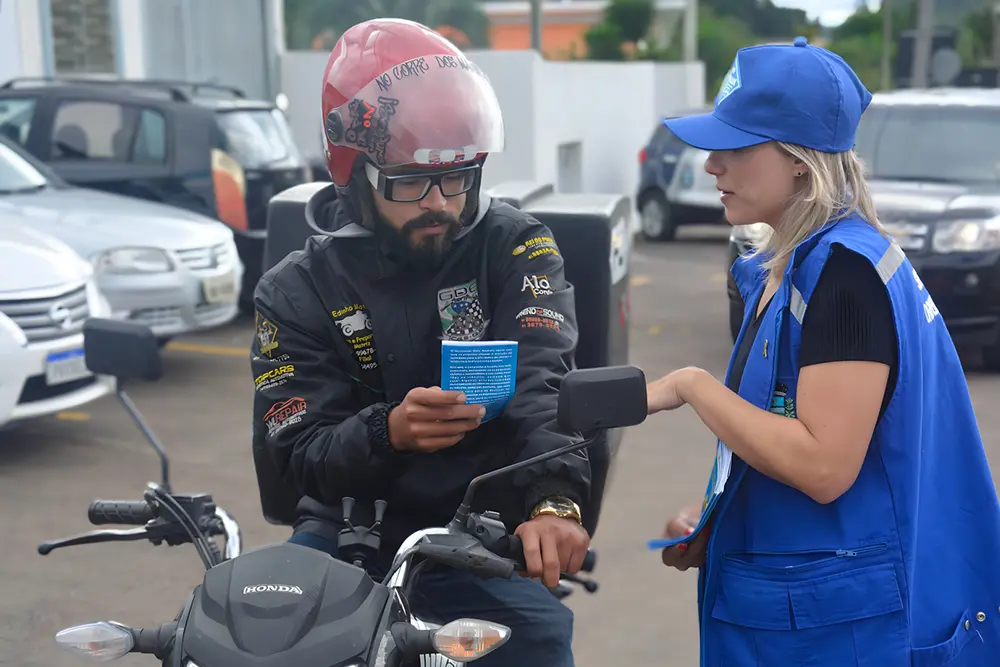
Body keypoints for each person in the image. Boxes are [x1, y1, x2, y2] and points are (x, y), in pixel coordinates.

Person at [646, 37, 1000, 666]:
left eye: (736, 146)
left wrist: (695, 387)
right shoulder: (791, 268)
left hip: (840, 635)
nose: (711, 166)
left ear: (800, 162)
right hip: (801, 615)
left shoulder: (845, 278)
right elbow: (780, 426)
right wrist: (720, 517)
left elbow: (823, 465)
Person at [249, 18, 590, 667]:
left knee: (540, 637)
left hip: (478, 532)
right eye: (409, 181)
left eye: (457, 177)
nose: (439, 202)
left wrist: (554, 501)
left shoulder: (516, 246)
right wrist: (390, 432)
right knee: (253, 636)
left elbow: (548, 385)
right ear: (354, 171)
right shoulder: (295, 289)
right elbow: (294, 457)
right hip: (347, 529)